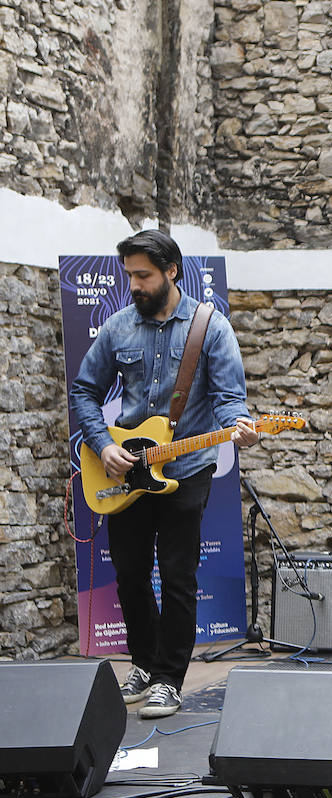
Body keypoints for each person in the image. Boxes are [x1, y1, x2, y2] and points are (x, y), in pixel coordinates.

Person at [70, 229, 258, 718]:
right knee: (130, 575)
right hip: (126, 469)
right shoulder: (116, 329)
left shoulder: (209, 327)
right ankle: (145, 663)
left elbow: (230, 399)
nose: (132, 283)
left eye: (142, 275)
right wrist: (104, 445)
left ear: (171, 270)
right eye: (128, 274)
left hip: (188, 467)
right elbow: (84, 392)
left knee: (178, 577)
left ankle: (170, 680)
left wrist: (240, 426)